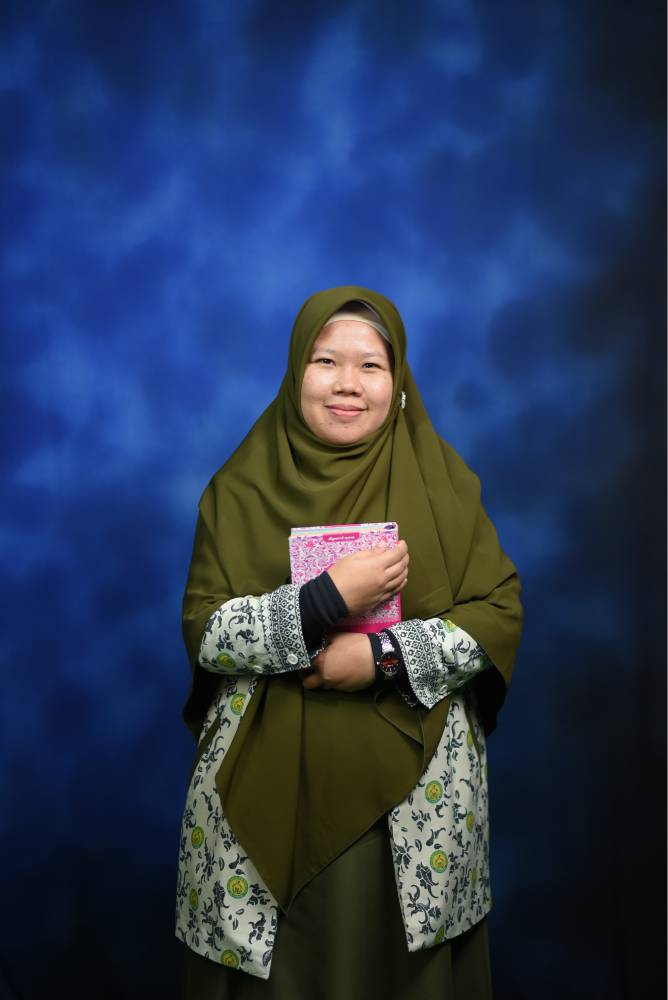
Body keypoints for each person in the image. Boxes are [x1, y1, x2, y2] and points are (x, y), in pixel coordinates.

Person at [176, 286, 523, 999]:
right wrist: (324, 601)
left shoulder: (447, 485)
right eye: (325, 361)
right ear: (294, 374)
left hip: (416, 806)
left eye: (371, 365)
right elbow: (207, 633)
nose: (346, 383)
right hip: (266, 796)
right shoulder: (239, 488)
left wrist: (381, 657)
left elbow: (498, 615)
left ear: (399, 384)